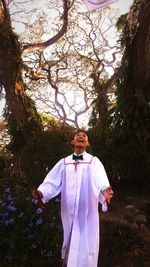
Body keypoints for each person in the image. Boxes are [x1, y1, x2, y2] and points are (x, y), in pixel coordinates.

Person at [32, 129, 113, 267]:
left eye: (84, 136)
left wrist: (105, 189)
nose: (81, 137)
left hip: (87, 211)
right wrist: (42, 192)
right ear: (73, 141)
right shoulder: (64, 162)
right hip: (69, 210)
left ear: (87, 143)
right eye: (78, 136)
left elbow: (99, 177)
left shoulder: (93, 161)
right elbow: (52, 180)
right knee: (70, 237)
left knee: (87, 241)